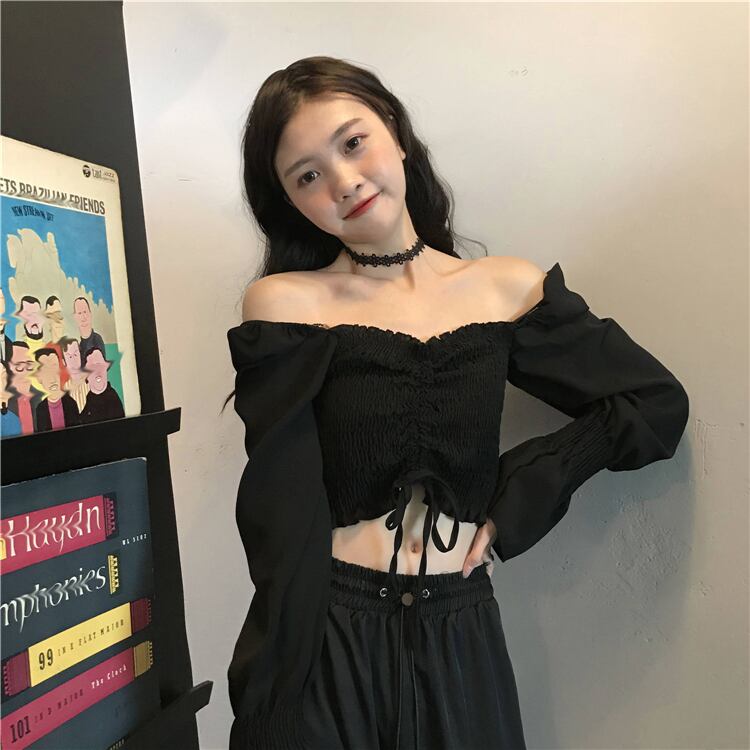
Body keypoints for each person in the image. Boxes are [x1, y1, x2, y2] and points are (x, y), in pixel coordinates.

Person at [221, 56, 689, 750]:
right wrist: (269, 704)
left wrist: (519, 494)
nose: (344, 182)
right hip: (332, 634)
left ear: (395, 131)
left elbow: (653, 402)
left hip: (461, 632)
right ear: (290, 202)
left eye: (353, 143)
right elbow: (279, 520)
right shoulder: (286, 306)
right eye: (307, 176)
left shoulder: (505, 290)